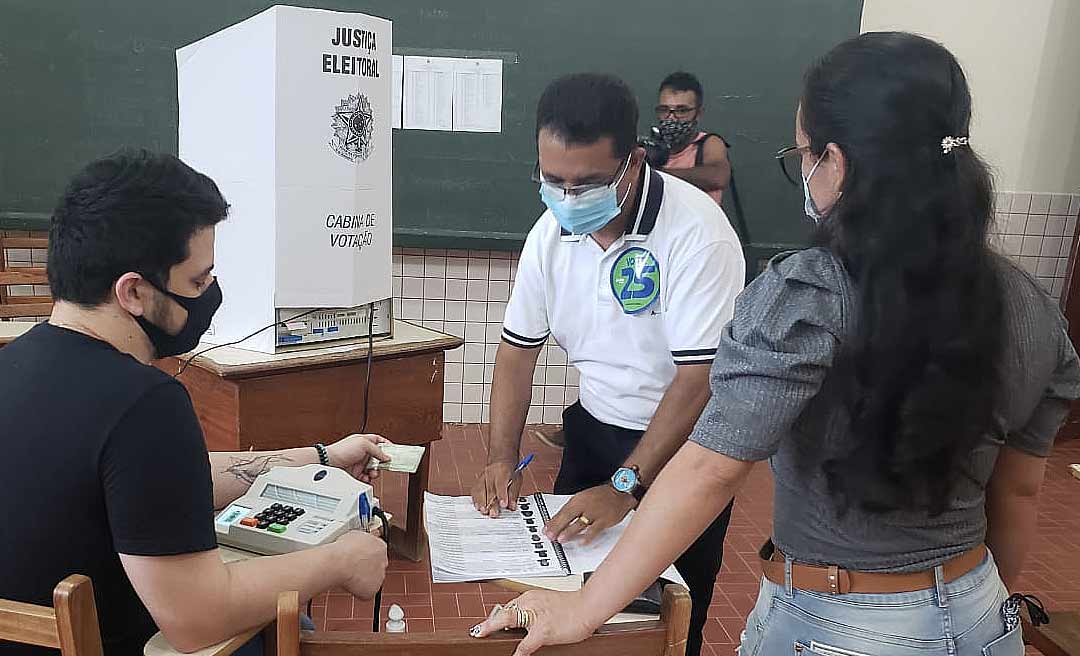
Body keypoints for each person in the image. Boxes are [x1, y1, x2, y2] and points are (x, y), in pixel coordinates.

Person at [469, 33, 1080, 656]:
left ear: (835, 163)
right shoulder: (1030, 306)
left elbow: (712, 468)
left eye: (802, 154)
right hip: (981, 615)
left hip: (834, 625)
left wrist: (581, 610)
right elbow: (1019, 491)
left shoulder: (806, 295)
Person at [0, 150, 390, 655]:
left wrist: (320, 457)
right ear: (134, 292)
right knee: (294, 630)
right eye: (197, 282)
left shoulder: (17, 363)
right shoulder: (144, 403)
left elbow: (162, 480)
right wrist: (340, 560)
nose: (210, 295)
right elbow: (198, 618)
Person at [468, 73, 745, 656]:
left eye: (589, 183)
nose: (568, 199)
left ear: (634, 163)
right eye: (553, 181)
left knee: (663, 623)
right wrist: (499, 456)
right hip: (593, 430)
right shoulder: (550, 234)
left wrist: (626, 485)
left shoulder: (697, 234)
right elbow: (518, 352)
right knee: (566, 601)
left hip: (682, 452)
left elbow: (698, 380)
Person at [647, 71, 731, 205]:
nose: (671, 117)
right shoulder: (651, 148)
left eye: (681, 111)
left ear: (698, 113)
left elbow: (718, 176)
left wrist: (656, 175)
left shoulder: (708, 143)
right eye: (664, 109)